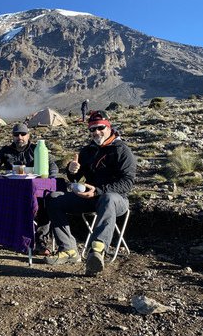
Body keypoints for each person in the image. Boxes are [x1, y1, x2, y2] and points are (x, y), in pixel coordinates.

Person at [44, 110, 136, 276]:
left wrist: (99, 191)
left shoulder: (122, 150)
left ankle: (97, 251)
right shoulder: (88, 151)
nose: (96, 132)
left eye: (100, 128)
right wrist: (72, 171)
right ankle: (68, 250)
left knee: (107, 199)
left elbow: (127, 183)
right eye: (92, 129)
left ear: (109, 127)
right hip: (91, 197)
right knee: (53, 198)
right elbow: (74, 177)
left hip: (117, 200)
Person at [0, 123, 59, 255]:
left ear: (28, 135)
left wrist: (50, 178)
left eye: (23, 134)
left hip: (35, 192)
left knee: (45, 204)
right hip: (11, 193)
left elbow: (52, 165)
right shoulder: (5, 150)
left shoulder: (37, 149)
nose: (20, 137)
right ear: (12, 136)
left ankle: (41, 242)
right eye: (16, 134)